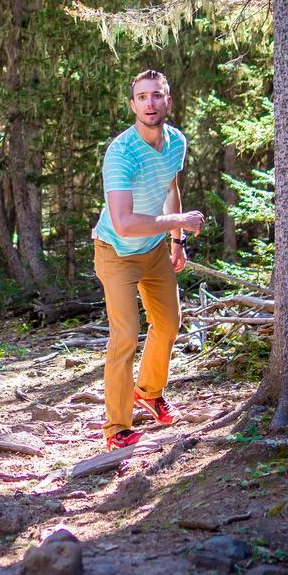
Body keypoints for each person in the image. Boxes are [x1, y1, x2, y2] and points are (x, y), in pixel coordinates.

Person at [92, 69, 204, 449]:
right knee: (124, 336)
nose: (150, 103)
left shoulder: (176, 142)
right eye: (142, 97)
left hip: (156, 249)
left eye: (156, 95)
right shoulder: (121, 152)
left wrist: (177, 241)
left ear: (168, 100)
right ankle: (117, 429)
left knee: (169, 324)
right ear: (133, 105)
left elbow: (171, 188)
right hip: (116, 252)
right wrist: (177, 221)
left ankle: (149, 392)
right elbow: (122, 224)